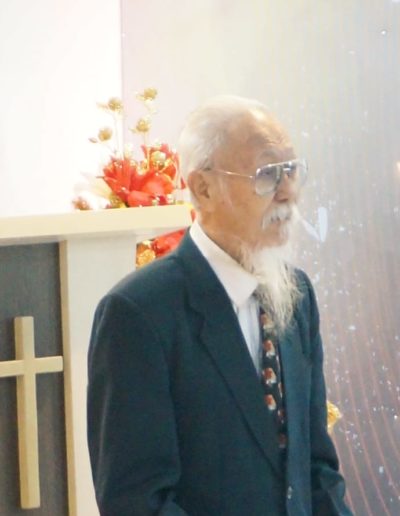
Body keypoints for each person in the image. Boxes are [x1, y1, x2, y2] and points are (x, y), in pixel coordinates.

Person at [87, 95, 353, 515]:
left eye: (291, 170)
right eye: (267, 174)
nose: (288, 192)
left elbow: (316, 468)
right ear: (203, 188)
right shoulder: (139, 313)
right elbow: (137, 501)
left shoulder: (296, 294)